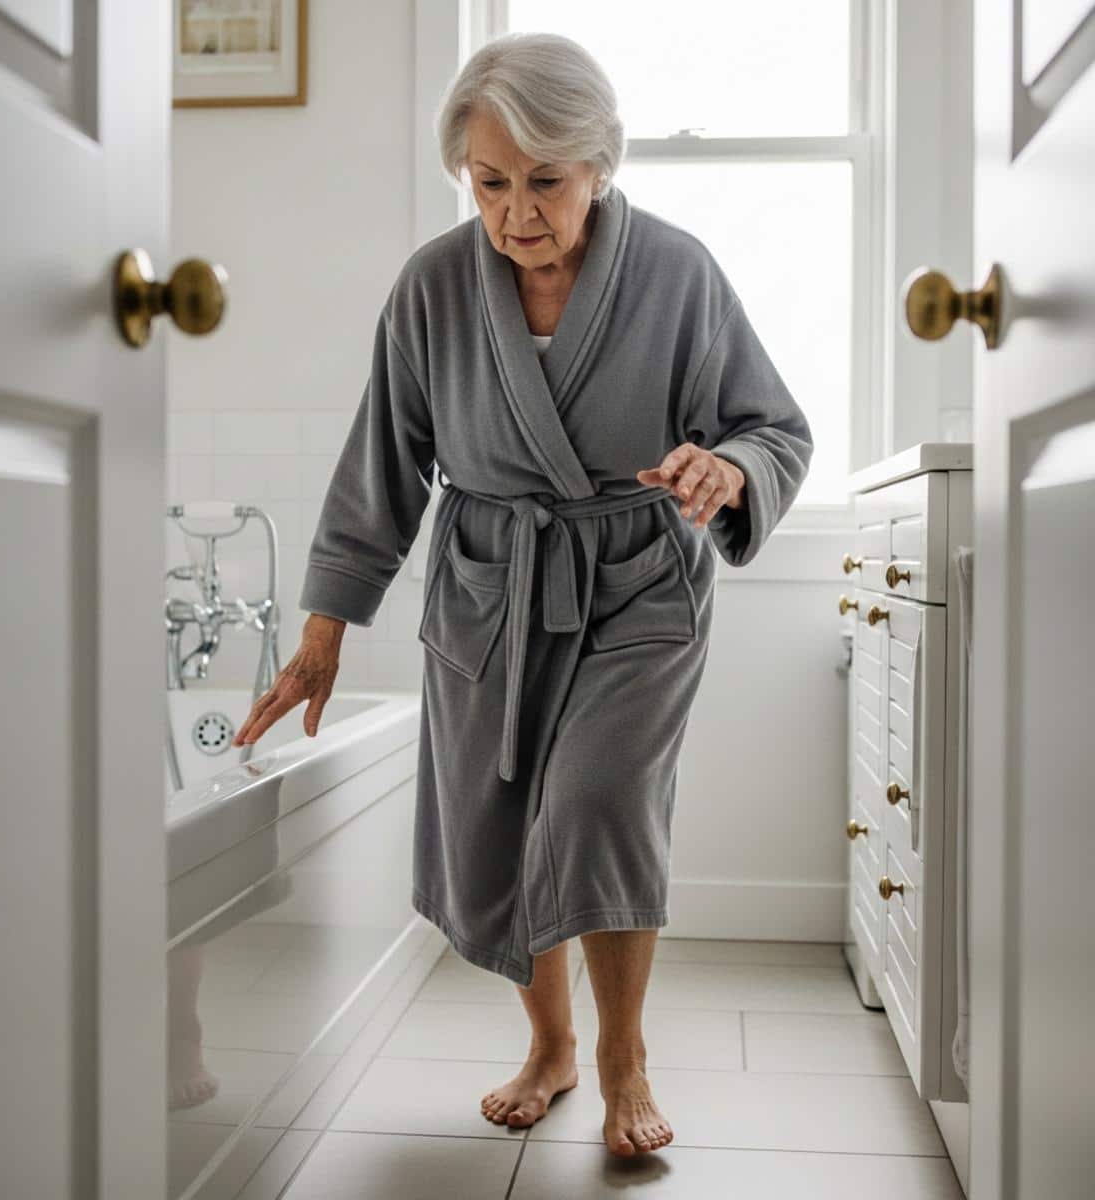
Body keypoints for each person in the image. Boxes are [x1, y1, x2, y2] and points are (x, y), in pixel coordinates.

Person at [233, 31, 813, 1157]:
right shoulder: (435, 287)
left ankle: (621, 1055)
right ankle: (548, 1046)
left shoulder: (679, 274)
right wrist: (322, 635)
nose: (516, 212)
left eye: (544, 180)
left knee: (598, 805)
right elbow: (382, 469)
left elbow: (771, 425)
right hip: (490, 585)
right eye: (490, 183)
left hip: (640, 580)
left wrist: (729, 468)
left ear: (600, 161)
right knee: (506, 821)